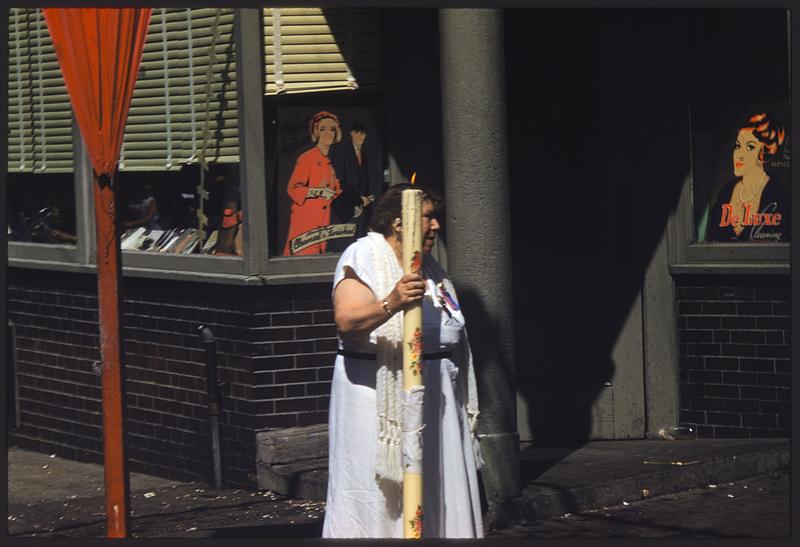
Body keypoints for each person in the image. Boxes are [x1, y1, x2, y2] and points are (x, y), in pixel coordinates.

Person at [322, 184, 484, 538]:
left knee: (437, 488)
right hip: (376, 402)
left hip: (437, 401)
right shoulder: (362, 255)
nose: (437, 226)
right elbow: (347, 322)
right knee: (384, 496)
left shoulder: (431, 268)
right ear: (399, 222)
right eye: (428, 217)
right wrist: (391, 301)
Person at [706, 111, 790, 242]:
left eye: (750, 147)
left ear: (766, 151)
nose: (739, 154)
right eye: (738, 146)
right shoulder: (726, 192)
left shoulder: (779, 196)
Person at [282, 111, 344, 255]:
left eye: (332, 129)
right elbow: (293, 189)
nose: (328, 133)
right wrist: (318, 192)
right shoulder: (307, 158)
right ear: (315, 132)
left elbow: (335, 191)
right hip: (305, 222)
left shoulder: (329, 163)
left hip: (322, 223)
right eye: (323, 129)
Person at [328, 122, 377, 252]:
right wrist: (358, 198)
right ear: (352, 134)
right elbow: (338, 181)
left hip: (362, 208)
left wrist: (369, 197)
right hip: (346, 205)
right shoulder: (342, 153)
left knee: (360, 240)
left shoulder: (365, 156)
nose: (361, 137)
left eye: (364, 134)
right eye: (358, 133)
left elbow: (366, 180)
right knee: (347, 243)